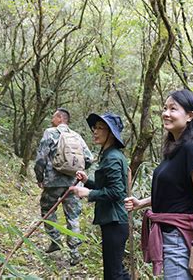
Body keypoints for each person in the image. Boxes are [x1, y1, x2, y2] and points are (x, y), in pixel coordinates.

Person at [124, 89, 193, 280]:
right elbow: (178, 192)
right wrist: (142, 203)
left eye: (173, 109)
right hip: (171, 236)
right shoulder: (175, 148)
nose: (166, 113)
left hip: (180, 238)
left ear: (190, 115)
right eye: (165, 108)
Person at [69, 112, 130, 280]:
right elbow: (107, 187)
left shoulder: (112, 158)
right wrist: (88, 182)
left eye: (100, 128)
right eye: (94, 128)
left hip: (115, 222)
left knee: (113, 273)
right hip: (113, 221)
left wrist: (89, 193)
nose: (95, 131)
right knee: (116, 270)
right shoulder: (110, 155)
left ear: (111, 132)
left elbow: (117, 192)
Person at [34, 108, 93, 264]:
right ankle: (75, 254)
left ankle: (55, 240)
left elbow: (41, 158)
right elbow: (89, 158)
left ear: (60, 118)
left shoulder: (50, 133)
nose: (52, 119)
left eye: (54, 117)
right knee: (73, 217)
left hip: (52, 183)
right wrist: (76, 171)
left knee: (47, 209)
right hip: (73, 183)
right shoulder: (77, 136)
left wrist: (40, 177)